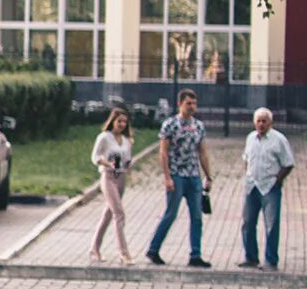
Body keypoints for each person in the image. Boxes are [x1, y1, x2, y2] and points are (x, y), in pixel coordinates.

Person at [145, 89, 214, 268]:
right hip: (177, 175)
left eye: (194, 103)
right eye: (188, 103)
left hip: (193, 176)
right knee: (170, 214)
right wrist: (167, 177)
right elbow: (163, 152)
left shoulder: (198, 126)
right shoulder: (170, 125)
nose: (192, 107)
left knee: (197, 216)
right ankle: (153, 249)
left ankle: (195, 254)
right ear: (180, 104)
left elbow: (203, 152)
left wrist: (208, 175)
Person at [240, 108, 295, 269]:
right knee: (248, 223)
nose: (261, 124)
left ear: (270, 122)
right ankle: (250, 257)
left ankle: (271, 260)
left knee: (271, 224)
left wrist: (278, 180)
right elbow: (246, 159)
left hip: (270, 186)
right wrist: (248, 174)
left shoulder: (279, 140)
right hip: (252, 186)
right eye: (258, 121)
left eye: (264, 121)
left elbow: (288, 163)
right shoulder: (251, 138)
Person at [90, 108, 135, 263]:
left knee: (109, 214)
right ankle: (123, 252)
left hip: (121, 177)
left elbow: (128, 159)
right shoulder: (104, 137)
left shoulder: (127, 140)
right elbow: (94, 156)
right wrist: (107, 163)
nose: (122, 124)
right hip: (108, 176)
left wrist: (128, 165)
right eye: (119, 121)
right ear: (112, 122)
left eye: (124, 122)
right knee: (119, 213)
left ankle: (94, 248)